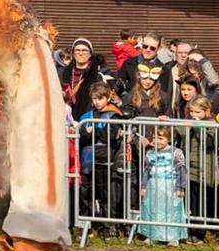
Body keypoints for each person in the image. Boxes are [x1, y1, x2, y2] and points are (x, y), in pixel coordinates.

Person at [78, 82, 125, 234]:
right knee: (86, 193)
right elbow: (81, 136)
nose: (97, 102)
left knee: (105, 193)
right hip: (87, 159)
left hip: (105, 159)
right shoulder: (87, 115)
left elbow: (110, 136)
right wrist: (89, 134)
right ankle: (86, 225)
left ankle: (107, 226)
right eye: (94, 99)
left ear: (107, 98)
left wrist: (93, 132)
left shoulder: (114, 114)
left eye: (100, 98)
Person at [138, 126, 187, 246]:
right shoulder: (149, 153)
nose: (156, 141)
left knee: (171, 211)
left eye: (160, 138)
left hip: (170, 187)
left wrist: (180, 187)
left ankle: (173, 237)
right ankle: (153, 234)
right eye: (154, 138)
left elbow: (182, 171)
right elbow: (146, 171)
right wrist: (143, 186)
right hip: (153, 186)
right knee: (152, 210)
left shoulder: (176, 153)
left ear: (169, 139)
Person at [184, 97, 217, 243]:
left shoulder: (211, 125)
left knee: (203, 201)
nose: (193, 114)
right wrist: (166, 121)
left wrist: (197, 125)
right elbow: (176, 131)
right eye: (191, 111)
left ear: (207, 111)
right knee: (193, 201)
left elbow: (208, 143)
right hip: (191, 167)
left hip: (205, 170)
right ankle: (192, 230)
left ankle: (200, 232)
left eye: (198, 111)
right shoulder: (190, 122)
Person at [116, 33, 172, 97]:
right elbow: (119, 86)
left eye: (152, 48)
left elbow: (163, 93)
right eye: (145, 46)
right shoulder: (128, 63)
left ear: (158, 49)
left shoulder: (164, 70)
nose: (148, 50)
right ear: (141, 45)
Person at [58, 38, 101, 120]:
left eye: (84, 50)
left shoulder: (96, 75)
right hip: (64, 118)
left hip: (87, 119)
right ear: (73, 53)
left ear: (90, 54)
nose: (80, 53)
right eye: (77, 50)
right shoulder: (63, 73)